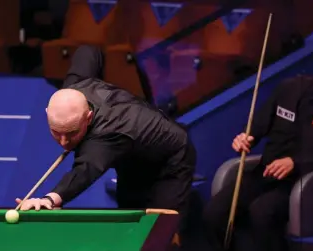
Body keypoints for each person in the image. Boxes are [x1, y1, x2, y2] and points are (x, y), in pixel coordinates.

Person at [202, 39, 313, 251]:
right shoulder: (290, 89)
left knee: (262, 212)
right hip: (264, 174)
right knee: (214, 213)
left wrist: (296, 163)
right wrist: (245, 138)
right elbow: (256, 129)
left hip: (303, 184)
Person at [15, 45, 196, 236]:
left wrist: (50, 200)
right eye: (56, 132)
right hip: (132, 160)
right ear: (46, 114)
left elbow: (85, 170)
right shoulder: (74, 86)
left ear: (89, 117)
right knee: (130, 232)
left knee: (162, 235)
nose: (63, 142)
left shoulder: (108, 132)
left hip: (170, 160)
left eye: (71, 133)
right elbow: (88, 52)